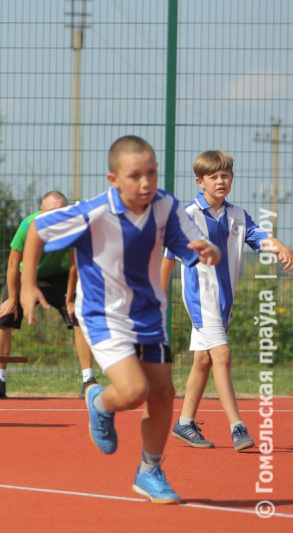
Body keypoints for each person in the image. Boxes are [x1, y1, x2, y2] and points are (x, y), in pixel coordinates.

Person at [20, 136, 220, 504]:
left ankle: (149, 472)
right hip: (103, 316)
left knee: (162, 394)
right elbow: (36, 229)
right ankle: (100, 402)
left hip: (149, 316)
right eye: (135, 176)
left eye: (152, 173)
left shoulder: (166, 207)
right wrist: (27, 284)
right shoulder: (93, 212)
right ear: (114, 180)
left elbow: (192, 243)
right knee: (133, 392)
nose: (146, 183)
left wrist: (209, 250)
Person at [161, 150, 293, 452]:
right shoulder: (186, 217)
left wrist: (281, 246)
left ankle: (184, 423)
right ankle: (237, 427)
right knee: (222, 356)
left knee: (204, 360)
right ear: (200, 182)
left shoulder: (238, 216)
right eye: (214, 176)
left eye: (225, 175)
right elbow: (168, 260)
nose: (221, 180)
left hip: (224, 302)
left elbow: (261, 238)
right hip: (201, 299)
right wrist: (159, 296)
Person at [0, 191, 96, 398]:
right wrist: (13, 299)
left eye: (61, 212)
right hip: (27, 275)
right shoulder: (28, 225)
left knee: (79, 318)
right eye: (50, 213)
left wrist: (70, 299)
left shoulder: (73, 227)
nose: (55, 218)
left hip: (61, 276)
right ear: (41, 211)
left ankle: (88, 380)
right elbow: (13, 263)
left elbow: (75, 265)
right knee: (5, 317)